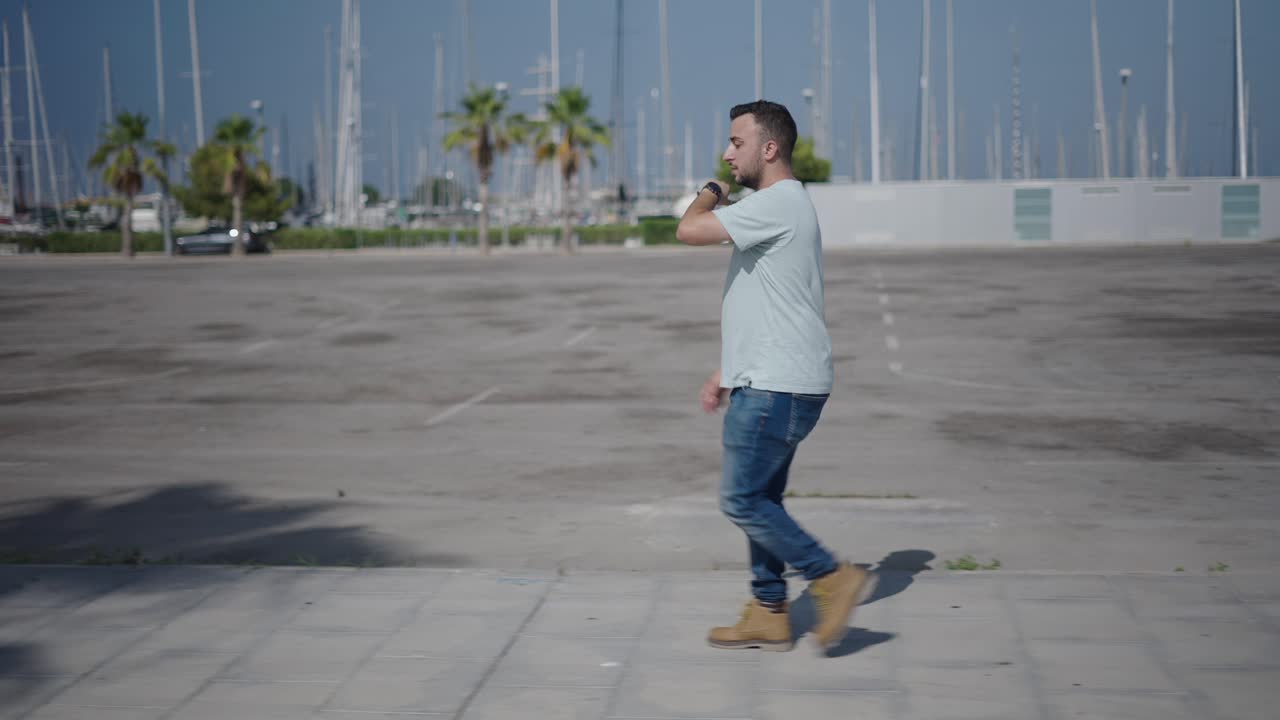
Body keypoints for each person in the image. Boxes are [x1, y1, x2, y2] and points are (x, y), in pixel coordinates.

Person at [675, 100, 875, 653]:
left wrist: (711, 190)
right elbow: (775, 300)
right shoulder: (785, 206)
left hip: (776, 387)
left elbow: (688, 229)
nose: (727, 153)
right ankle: (768, 611)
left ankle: (831, 577)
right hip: (775, 378)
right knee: (762, 499)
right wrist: (729, 369)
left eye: (736, 143)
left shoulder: (776, 202)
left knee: (742, 501)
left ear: (769, 149)